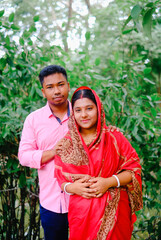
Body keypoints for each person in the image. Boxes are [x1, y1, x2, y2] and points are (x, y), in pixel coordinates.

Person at [18, 65, 118, 240]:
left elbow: (103, 142)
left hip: (88, 199)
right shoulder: (33, 120)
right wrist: (53, 152)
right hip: (52, 202)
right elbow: (24, 156)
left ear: (68, 85)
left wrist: (113, 134)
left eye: (60, 84)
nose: (57, 91)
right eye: (50, 87)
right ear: (43, 91)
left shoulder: (84, 113)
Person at [54, 86, 143, 240]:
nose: (84, 115)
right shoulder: (66, 145)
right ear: (72, 113)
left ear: (98, 108)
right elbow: (61, 178)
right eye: (78, 110)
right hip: (81, 216)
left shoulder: (115, 138)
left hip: (115, 215)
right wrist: (72, 187)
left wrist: (109, 182)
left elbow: (134, 170)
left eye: (89, 108)